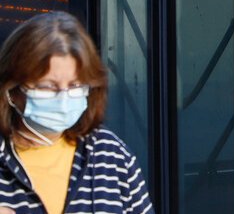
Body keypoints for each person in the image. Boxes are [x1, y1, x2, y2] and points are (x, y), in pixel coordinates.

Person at [0, 12, 153, 214]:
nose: (63, 99)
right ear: (12, 90)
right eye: (47, 86)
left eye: (75, 85)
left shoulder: (110, 153)